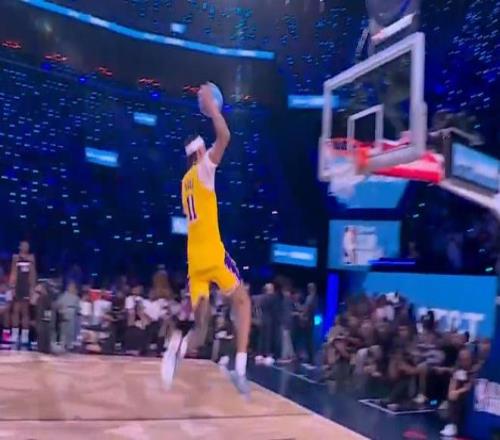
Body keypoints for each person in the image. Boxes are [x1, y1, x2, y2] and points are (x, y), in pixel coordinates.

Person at [162, 83, 251, 396]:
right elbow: (225, 137)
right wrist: (213, 109)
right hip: (213, 255)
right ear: (200, 153)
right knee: (243, 302)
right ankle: (241, 368)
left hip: (194, 262)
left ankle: (177, 345)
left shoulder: (184, 181)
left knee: (201, 328)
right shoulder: (203, 170)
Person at [9, 241, 36, 349]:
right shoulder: (15, 257)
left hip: (26, 287)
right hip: (18, 286)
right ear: (20, 247)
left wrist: (32, 288)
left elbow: (33, 274)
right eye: (23, 245)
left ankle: (25, 335)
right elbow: (13, 272)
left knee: (25, 311)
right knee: (16, 310)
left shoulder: (31, 258)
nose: (25, 247)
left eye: (27, 245)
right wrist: (12, 287)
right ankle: (15, 334)